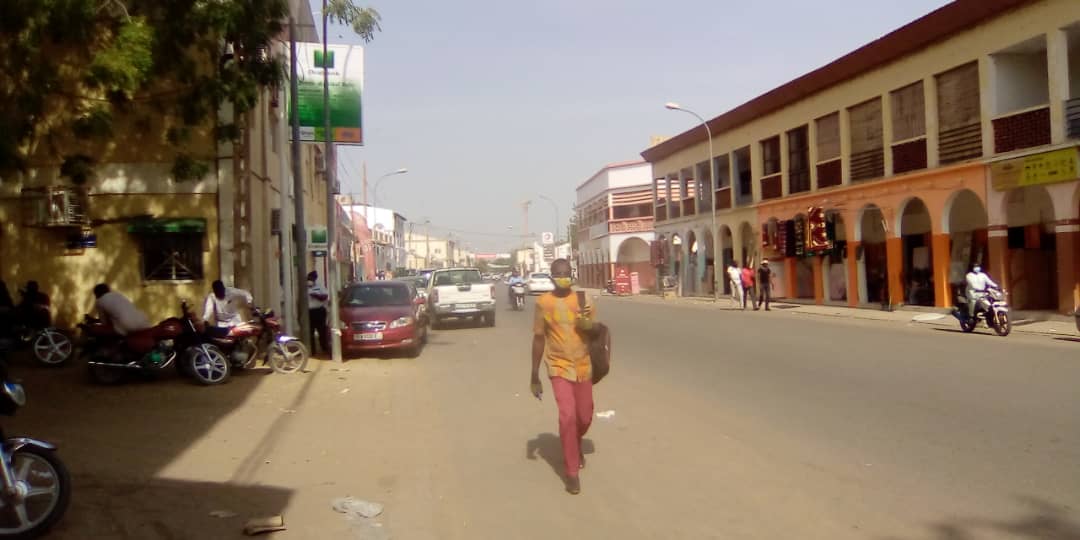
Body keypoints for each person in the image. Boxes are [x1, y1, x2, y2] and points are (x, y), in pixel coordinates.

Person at [531, 258, 596, 495]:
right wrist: (534, 375)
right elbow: (539, 338)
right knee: (567, 416)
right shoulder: (543, 303)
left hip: (583, 366)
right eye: (558, 273)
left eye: (567, 273)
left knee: (585, 416)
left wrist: (588, 324)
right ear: (551, 276)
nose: (563, 277)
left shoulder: (583, 299)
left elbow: (596, 331)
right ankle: (571, 472)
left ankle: (574, 443)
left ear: (572, 274)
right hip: (558, 366)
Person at [307, 271, 330, 355]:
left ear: (315, 279)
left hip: (319, 311)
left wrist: (315, 295)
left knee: (322, 331)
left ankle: (324, 348)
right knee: (310, 332)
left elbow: (325, 296)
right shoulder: (304, 286)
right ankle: (312, 350)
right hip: (308, 312)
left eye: (312, 278)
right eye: (309, 278)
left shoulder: (319, 286)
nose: (310, 280)